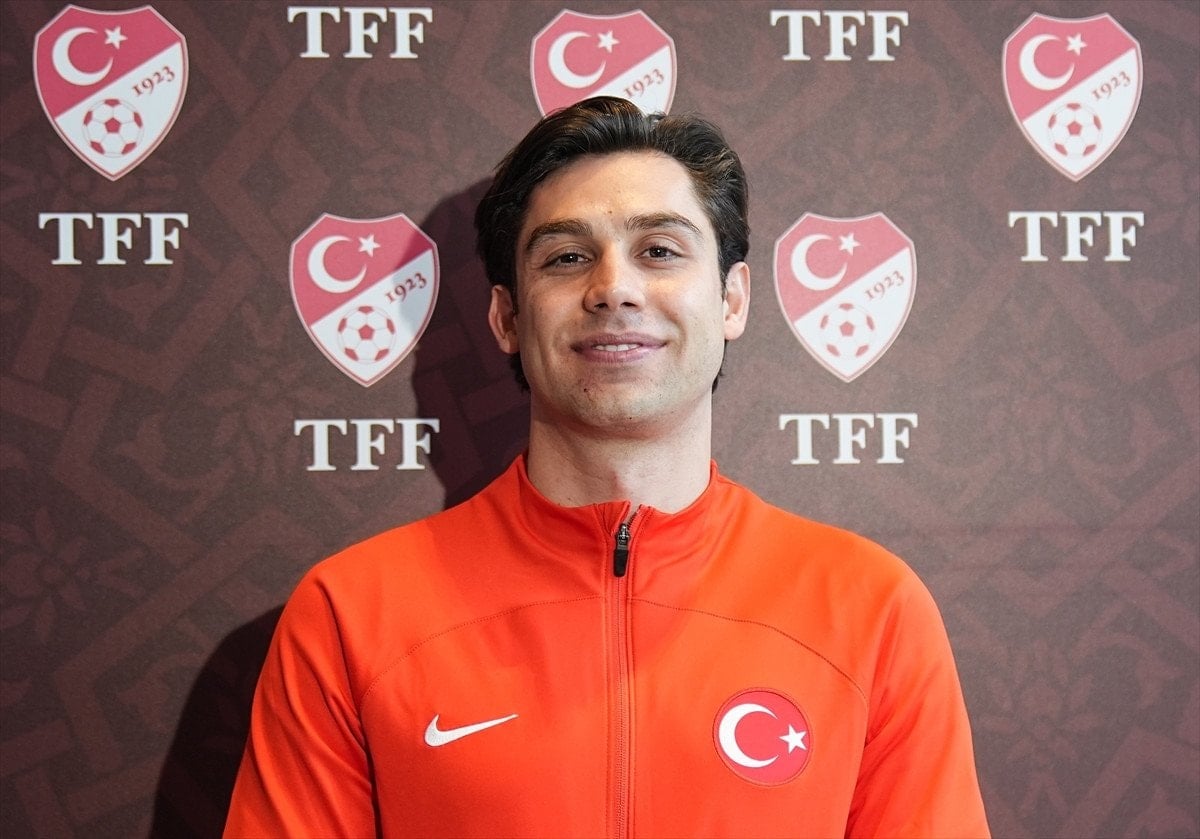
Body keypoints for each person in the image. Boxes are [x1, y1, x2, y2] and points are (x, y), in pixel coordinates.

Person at [224, 96, 989, 838]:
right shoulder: (351, 616)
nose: (613, 288)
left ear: (732, 299)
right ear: (508, 317)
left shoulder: (872, 610)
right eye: (567, 257)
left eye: (659, 250)